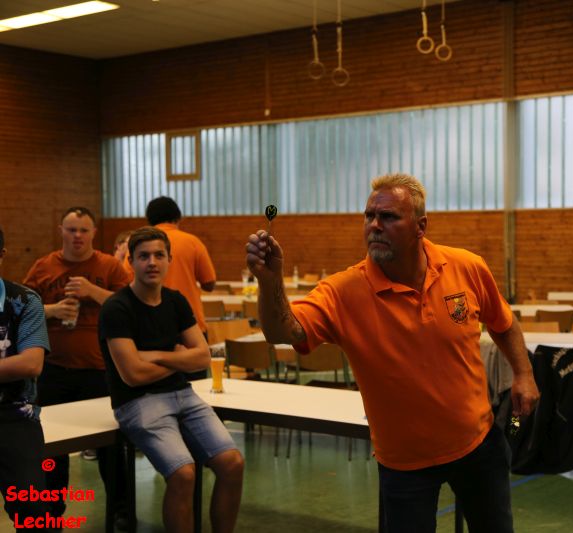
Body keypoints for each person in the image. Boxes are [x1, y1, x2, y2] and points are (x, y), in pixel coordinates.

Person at [246, 173, 538, 533]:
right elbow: (282, 331)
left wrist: (524, 374)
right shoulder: (344, 292)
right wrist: (269, 281)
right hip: (405, 465)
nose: (375, 225)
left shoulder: (466, 267)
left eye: (388, 217)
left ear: (420, 226)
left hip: (478, 445)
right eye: (369, 216)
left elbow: (503, 323)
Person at [99, 226, 243, 533]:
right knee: (183, 474)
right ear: (130, 262)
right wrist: (178, 359)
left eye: (159, 255)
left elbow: (202, 357)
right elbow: (133, 376)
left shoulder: (176, 301)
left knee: (232, 464)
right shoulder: (116, 308)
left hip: (183, 395)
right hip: (137, 403)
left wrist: (153, 355)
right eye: (143, 256)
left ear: (169, 260)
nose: (152, 262)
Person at [22, 206, 131, 526]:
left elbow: (130, 307)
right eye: (71, 230)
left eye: (84, 230)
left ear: (94, 233)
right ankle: (51, 512)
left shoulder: (109, 266)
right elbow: (21, 311)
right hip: (54, 371)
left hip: (100, 371)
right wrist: (52, 310)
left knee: (110, 447)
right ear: (61, 231)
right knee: (52, 448)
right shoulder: (43, 266)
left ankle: (122, 509)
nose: (78, 236)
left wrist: (93, 291)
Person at [0, 226, 54, 532]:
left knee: (33, 512)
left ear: (2, 255)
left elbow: (31, 363)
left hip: (15, 415)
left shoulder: (24, 300)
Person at [145, 197, 216, 371]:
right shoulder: (192, 242)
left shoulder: (141, 245)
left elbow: (126, 281)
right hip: (190, 325)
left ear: (149, 219)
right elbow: (209, 283)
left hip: (149, 324)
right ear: (178, 217)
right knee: (195, 382)